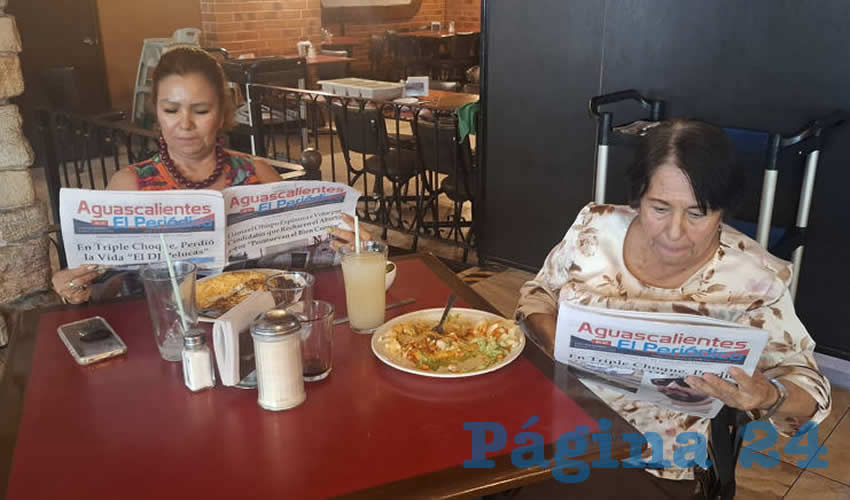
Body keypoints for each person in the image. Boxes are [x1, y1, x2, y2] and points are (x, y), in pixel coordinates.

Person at [514, 120, 831, 498]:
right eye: (659, 208)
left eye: (697, 213)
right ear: (638, 199)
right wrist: (554, 340)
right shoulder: (595, 228)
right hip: (553, 423)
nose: (675, 232)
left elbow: (811, 393)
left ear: (722, 211)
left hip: (654, 460)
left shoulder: (753, 279)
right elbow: (538, 294)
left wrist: (767, 396)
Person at [52, 47, 366, 304]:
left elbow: (311, 265)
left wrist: (351, 249)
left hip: (261, 328)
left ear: (221, 114)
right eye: (171, 110)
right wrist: (76, 286)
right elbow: (108, 285)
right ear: (156, 113)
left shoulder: (258, 174)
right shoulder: (129, 186)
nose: (185, 124)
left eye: (200, 110)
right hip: (167, 338)